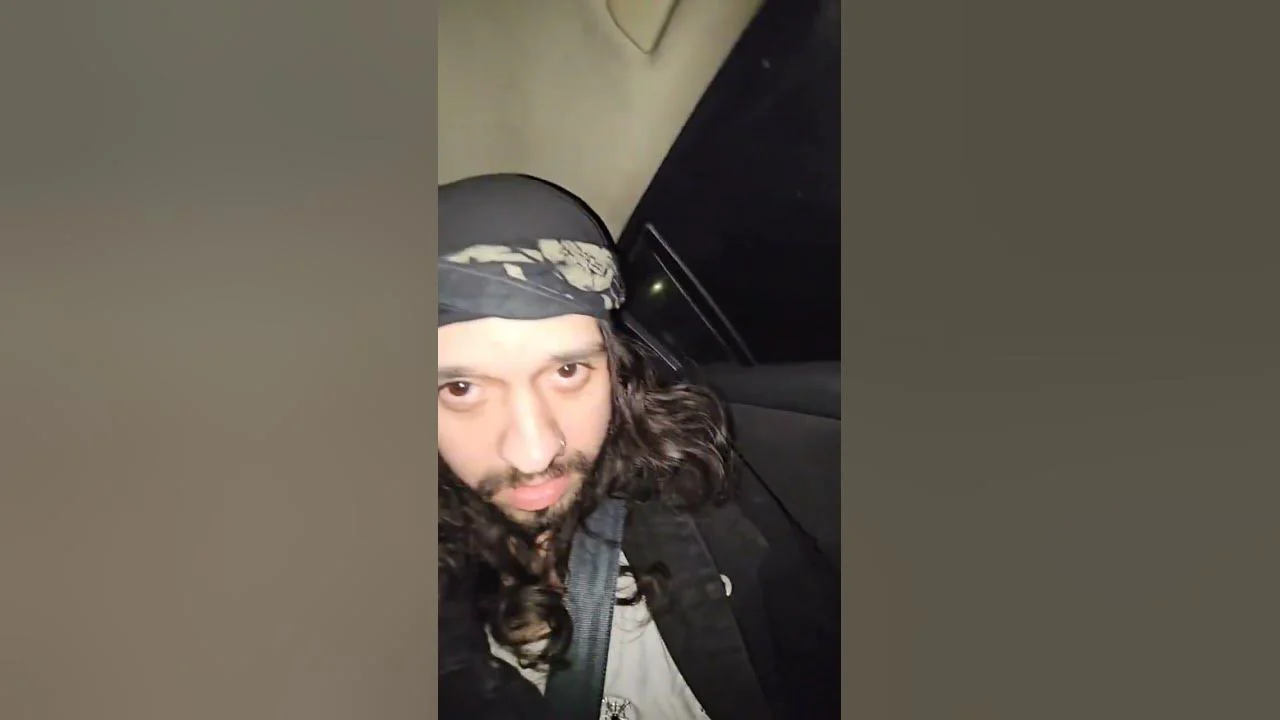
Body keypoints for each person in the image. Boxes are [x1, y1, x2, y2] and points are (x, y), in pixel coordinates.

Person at [437, 174, 840, 719]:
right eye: (461, 389)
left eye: (568, 371)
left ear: (614, 367)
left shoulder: (709, 487)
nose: (534, 453)